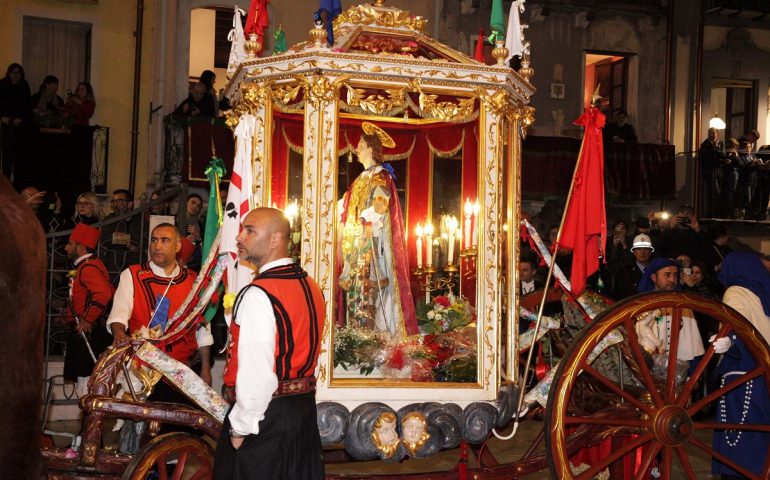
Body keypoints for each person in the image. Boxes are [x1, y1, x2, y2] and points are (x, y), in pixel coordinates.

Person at [214, 208, 325, 480]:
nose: (239, 237)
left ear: (275, 239)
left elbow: (257, 372)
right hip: (302, 410)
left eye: (250, 230)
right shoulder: (311, 284)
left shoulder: (258, 293)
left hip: (266, 417)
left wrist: (240, 427)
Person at [337, 122, 418, 338]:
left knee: (370, 291)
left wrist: (365, 220)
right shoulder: (359, 180)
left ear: (371, 149)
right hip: (355, 247)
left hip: (370, 244)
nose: (357, 149)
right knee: (356, 292)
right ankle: (355, 335)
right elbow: (346, 207)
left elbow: (380, 205)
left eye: (361, 145)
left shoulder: (381, 176)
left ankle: (371, 336)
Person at [106, 223, 213, 387]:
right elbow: (119, 313)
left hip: (184, 371)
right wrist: (119, 332)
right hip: (143, 371)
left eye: (165, 240)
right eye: (154, 240)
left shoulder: (194, 281)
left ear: (178, 246)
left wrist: (205, 369)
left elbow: (203, 331)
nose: (157, 246)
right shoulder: (132, 274)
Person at [711, 252, 770, 478]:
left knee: (738, 433)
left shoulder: (735, 291)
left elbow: (736, 324)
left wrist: (730, 341)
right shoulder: (764, 293)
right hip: (762, 372)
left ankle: (737, 471)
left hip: (741, 373)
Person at [62, 223, 114, 398]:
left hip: (88, 334)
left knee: (86, 387)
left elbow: (104, 294)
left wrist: (88, 319)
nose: (66, 247)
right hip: (87, 332)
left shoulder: (88, 268)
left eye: (70, 244)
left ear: (81, 248)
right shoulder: (90, 265)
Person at [635, 257, 705, 362]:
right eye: (667, 275)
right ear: (654, 277)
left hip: (681, 362)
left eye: (675, 275)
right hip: (651, 359)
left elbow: (691, 343)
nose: (672, 280)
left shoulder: (683, 303)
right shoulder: (643, 303)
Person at [0, 63, 32, 178]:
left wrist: (21, 119)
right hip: (6, 124)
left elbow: (28, 106)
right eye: (14, 72)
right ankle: (7, 181)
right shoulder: (2, 85)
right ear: (9, 73)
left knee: (20, 155)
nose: (16, 75)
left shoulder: (24, 86)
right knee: (7, 155)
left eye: (19, 73)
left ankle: (18, 183)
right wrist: (2, 118)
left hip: (20, 125)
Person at [611, 233, 654, 300]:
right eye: (639, 249)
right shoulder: (624, 272)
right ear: (634, 252)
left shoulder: (657, 270)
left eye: (646, 249)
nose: (642, 252)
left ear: (651, 252)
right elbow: (617, 296)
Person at [699, 127, 724, 218]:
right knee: (713, 191)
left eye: (713, 133)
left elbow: (723, 155)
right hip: (709, 170)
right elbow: (705, 159)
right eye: (710, 133)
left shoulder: (720, 143)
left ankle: (717, 212)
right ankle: (711, 213)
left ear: (717, 133)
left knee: (719, 191)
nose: (712, 135)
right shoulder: (705, 144)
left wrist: (717, 148)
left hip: (719, 170)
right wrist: (714, 148)